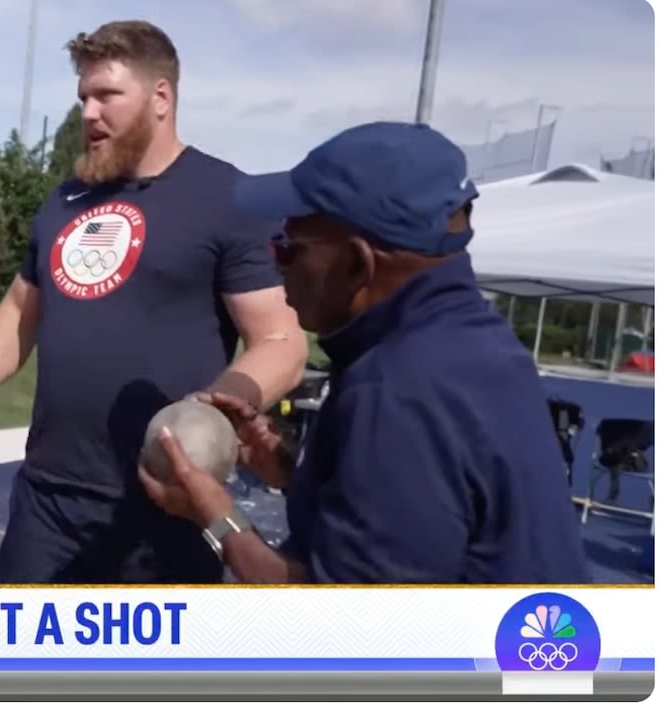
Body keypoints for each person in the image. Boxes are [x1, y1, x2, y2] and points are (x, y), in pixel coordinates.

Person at [140, 121, 592, 584]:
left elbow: (345, 630)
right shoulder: (476, 344)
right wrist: (295, 470)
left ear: (357, 263)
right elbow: (413, 515)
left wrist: (215, 515)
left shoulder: (400, 389)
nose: (277, 268)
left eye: (287, 250)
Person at [0, 20, 308, 584]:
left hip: (165, 505)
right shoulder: (67, 198)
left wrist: (220, 404)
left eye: (107, 95)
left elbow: (281, 340)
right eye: (83, 97)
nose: (89, 112)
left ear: (161, 97)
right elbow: (20, 306)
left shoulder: (226, 198)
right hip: (48, 500)